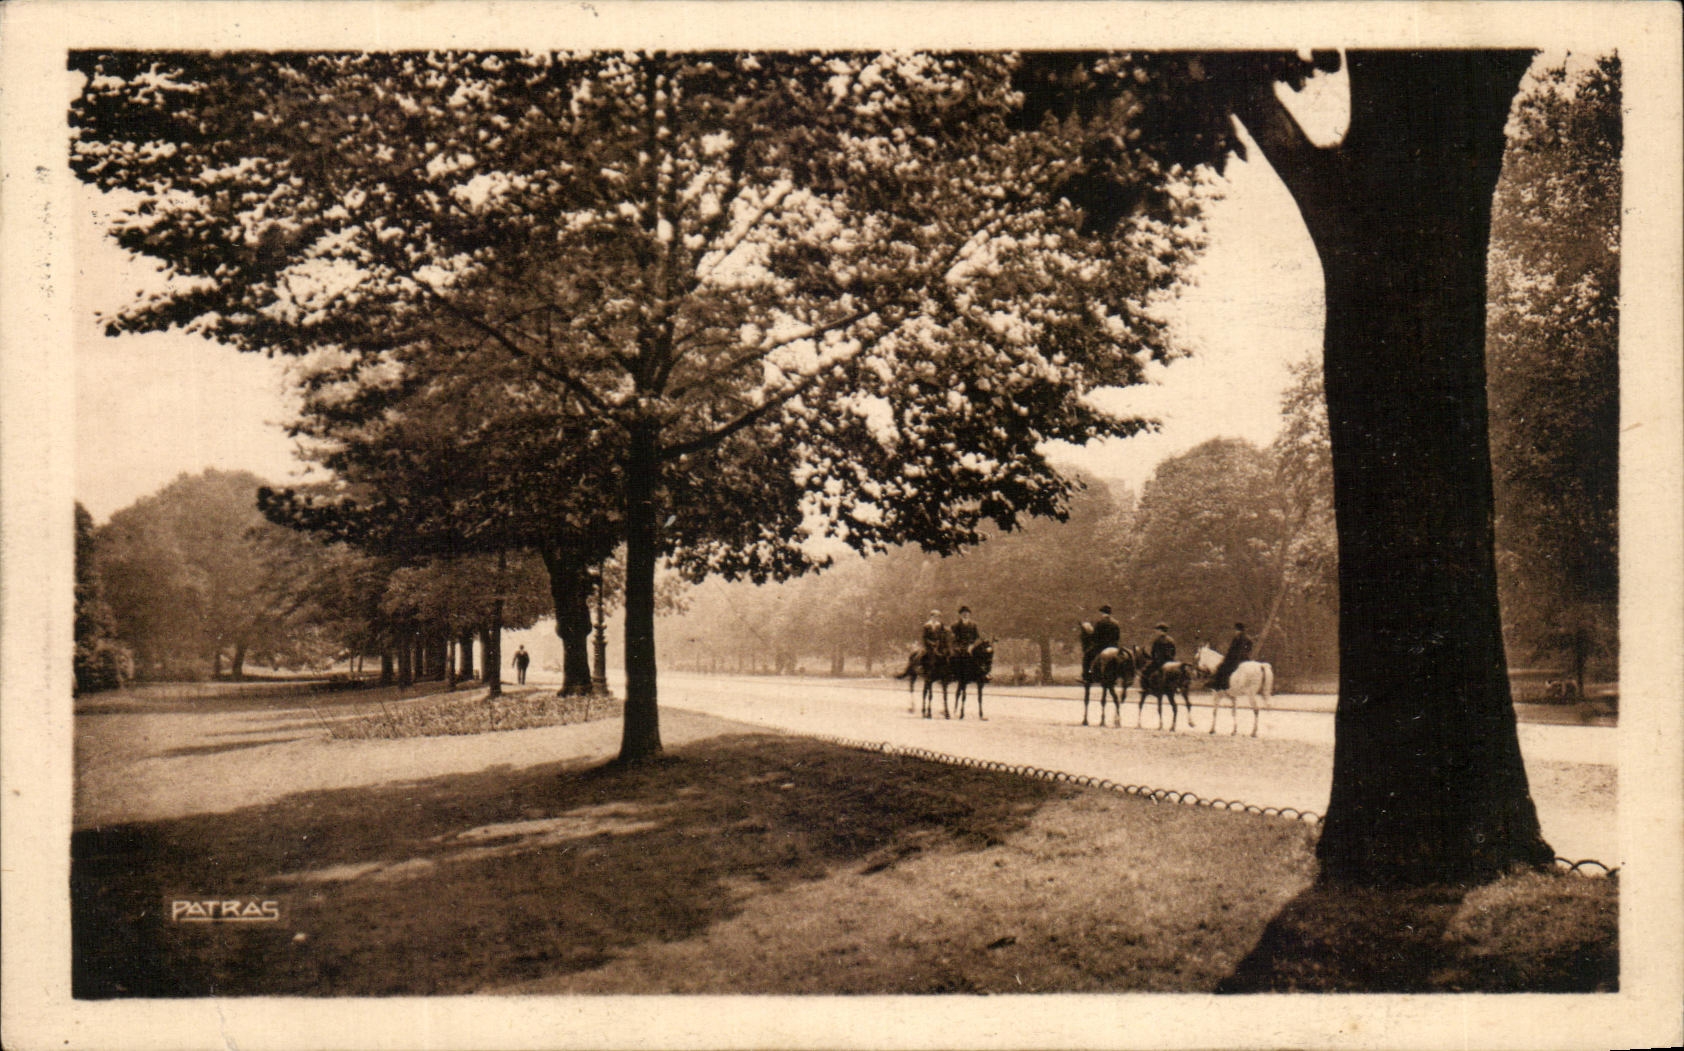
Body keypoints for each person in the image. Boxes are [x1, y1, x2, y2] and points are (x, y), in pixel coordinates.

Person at [1210, 622, 1253, 692]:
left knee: (1223, 668)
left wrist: (1227, 658)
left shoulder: (1237, 638)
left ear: (1238, 630)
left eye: (1236, 630)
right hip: (1245, 658)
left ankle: (1222, 685)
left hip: (1236, 658)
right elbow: (1249, 648)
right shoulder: (1247, 638)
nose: (1235, 632)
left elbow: (1231, 649)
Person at [1088, 604, 1122, 678]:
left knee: (1088, 655)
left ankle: (1088, 676)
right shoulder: (1115, 623)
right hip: (1114, 646)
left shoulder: (1099, 622)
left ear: (1102, 613)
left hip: (1102, 647)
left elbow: (1095, 636)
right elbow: (1118, 636)